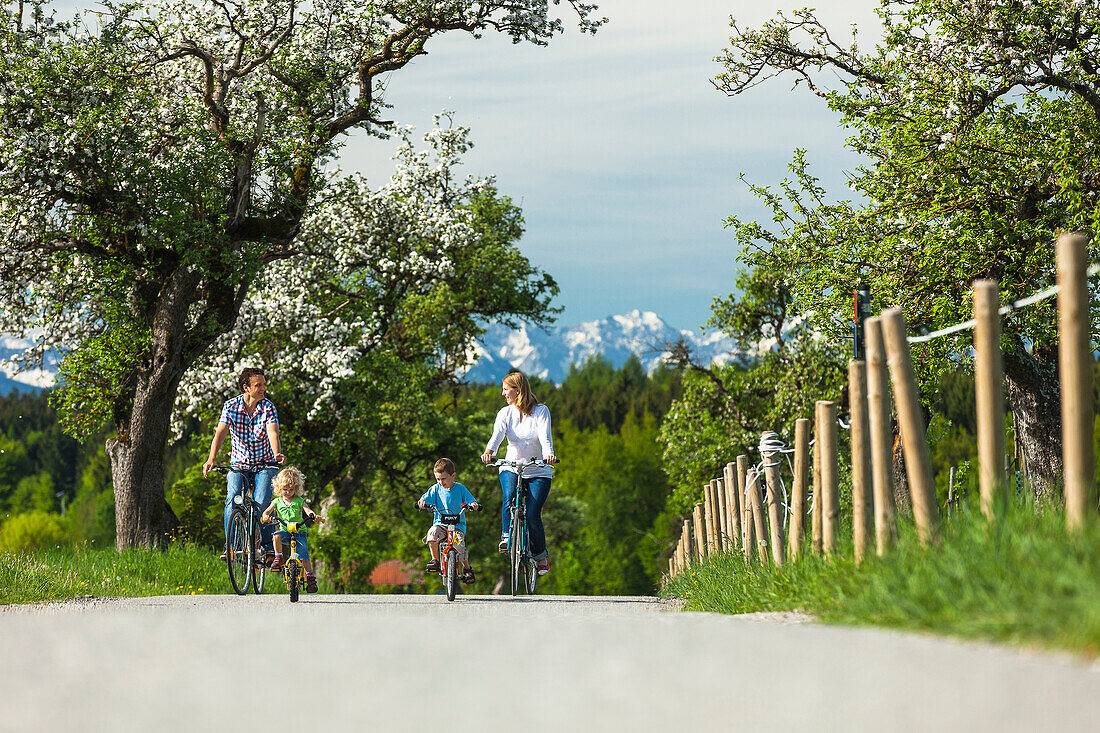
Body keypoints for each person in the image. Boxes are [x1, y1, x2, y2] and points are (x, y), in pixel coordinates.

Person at [202, 367, 286, 563]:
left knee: (262, 502)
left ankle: (267, 548)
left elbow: (273, 432)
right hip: (239, 464)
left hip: (265, 463)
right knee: (232, 499)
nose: (263, 388)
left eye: (264, 384)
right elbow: (220, 433)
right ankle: (231, 548)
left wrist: (276, 453)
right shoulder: (230, 406)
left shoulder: (268, 407)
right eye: (259, 385)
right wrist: (211, 458)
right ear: (245, 387)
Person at [480, 370, 558, 576]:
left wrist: (549, 455)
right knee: (508, 497)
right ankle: (507, 537)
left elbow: (545, 437)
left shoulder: (541, 411)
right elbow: (496, 436)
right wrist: (490, 452)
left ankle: (540, 557)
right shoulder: (504, 413)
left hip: (538, 469)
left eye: (506, 389)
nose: (503, 393)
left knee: (532, 514)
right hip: (511, 465)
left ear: (518, 390)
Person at [417, 458, 481, 584]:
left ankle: (466, 567)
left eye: (443, 479)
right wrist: (422, 502)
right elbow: (424, 498)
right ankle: (435, 560)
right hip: (440, 524)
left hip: (457, 525)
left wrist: (473, 504)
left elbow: (470, 500)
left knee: (459, 545)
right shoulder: (435, 489)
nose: (441, 482)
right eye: (438, 479)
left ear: (453, 476)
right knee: (432, 534)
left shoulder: (460, 489)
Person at [261, 466, 321, 594]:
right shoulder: (277, 501)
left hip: (299, 532)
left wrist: (313, 515)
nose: (288, 492)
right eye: (285, 489)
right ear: (279, 488)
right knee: (276, 536)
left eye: (291, 489)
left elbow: (307, 509)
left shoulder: (299, 501)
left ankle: (310, 578)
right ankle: (279, 557)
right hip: (285, 530)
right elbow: (267, 511)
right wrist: (265, 515)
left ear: (296, 489)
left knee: (304, 555)